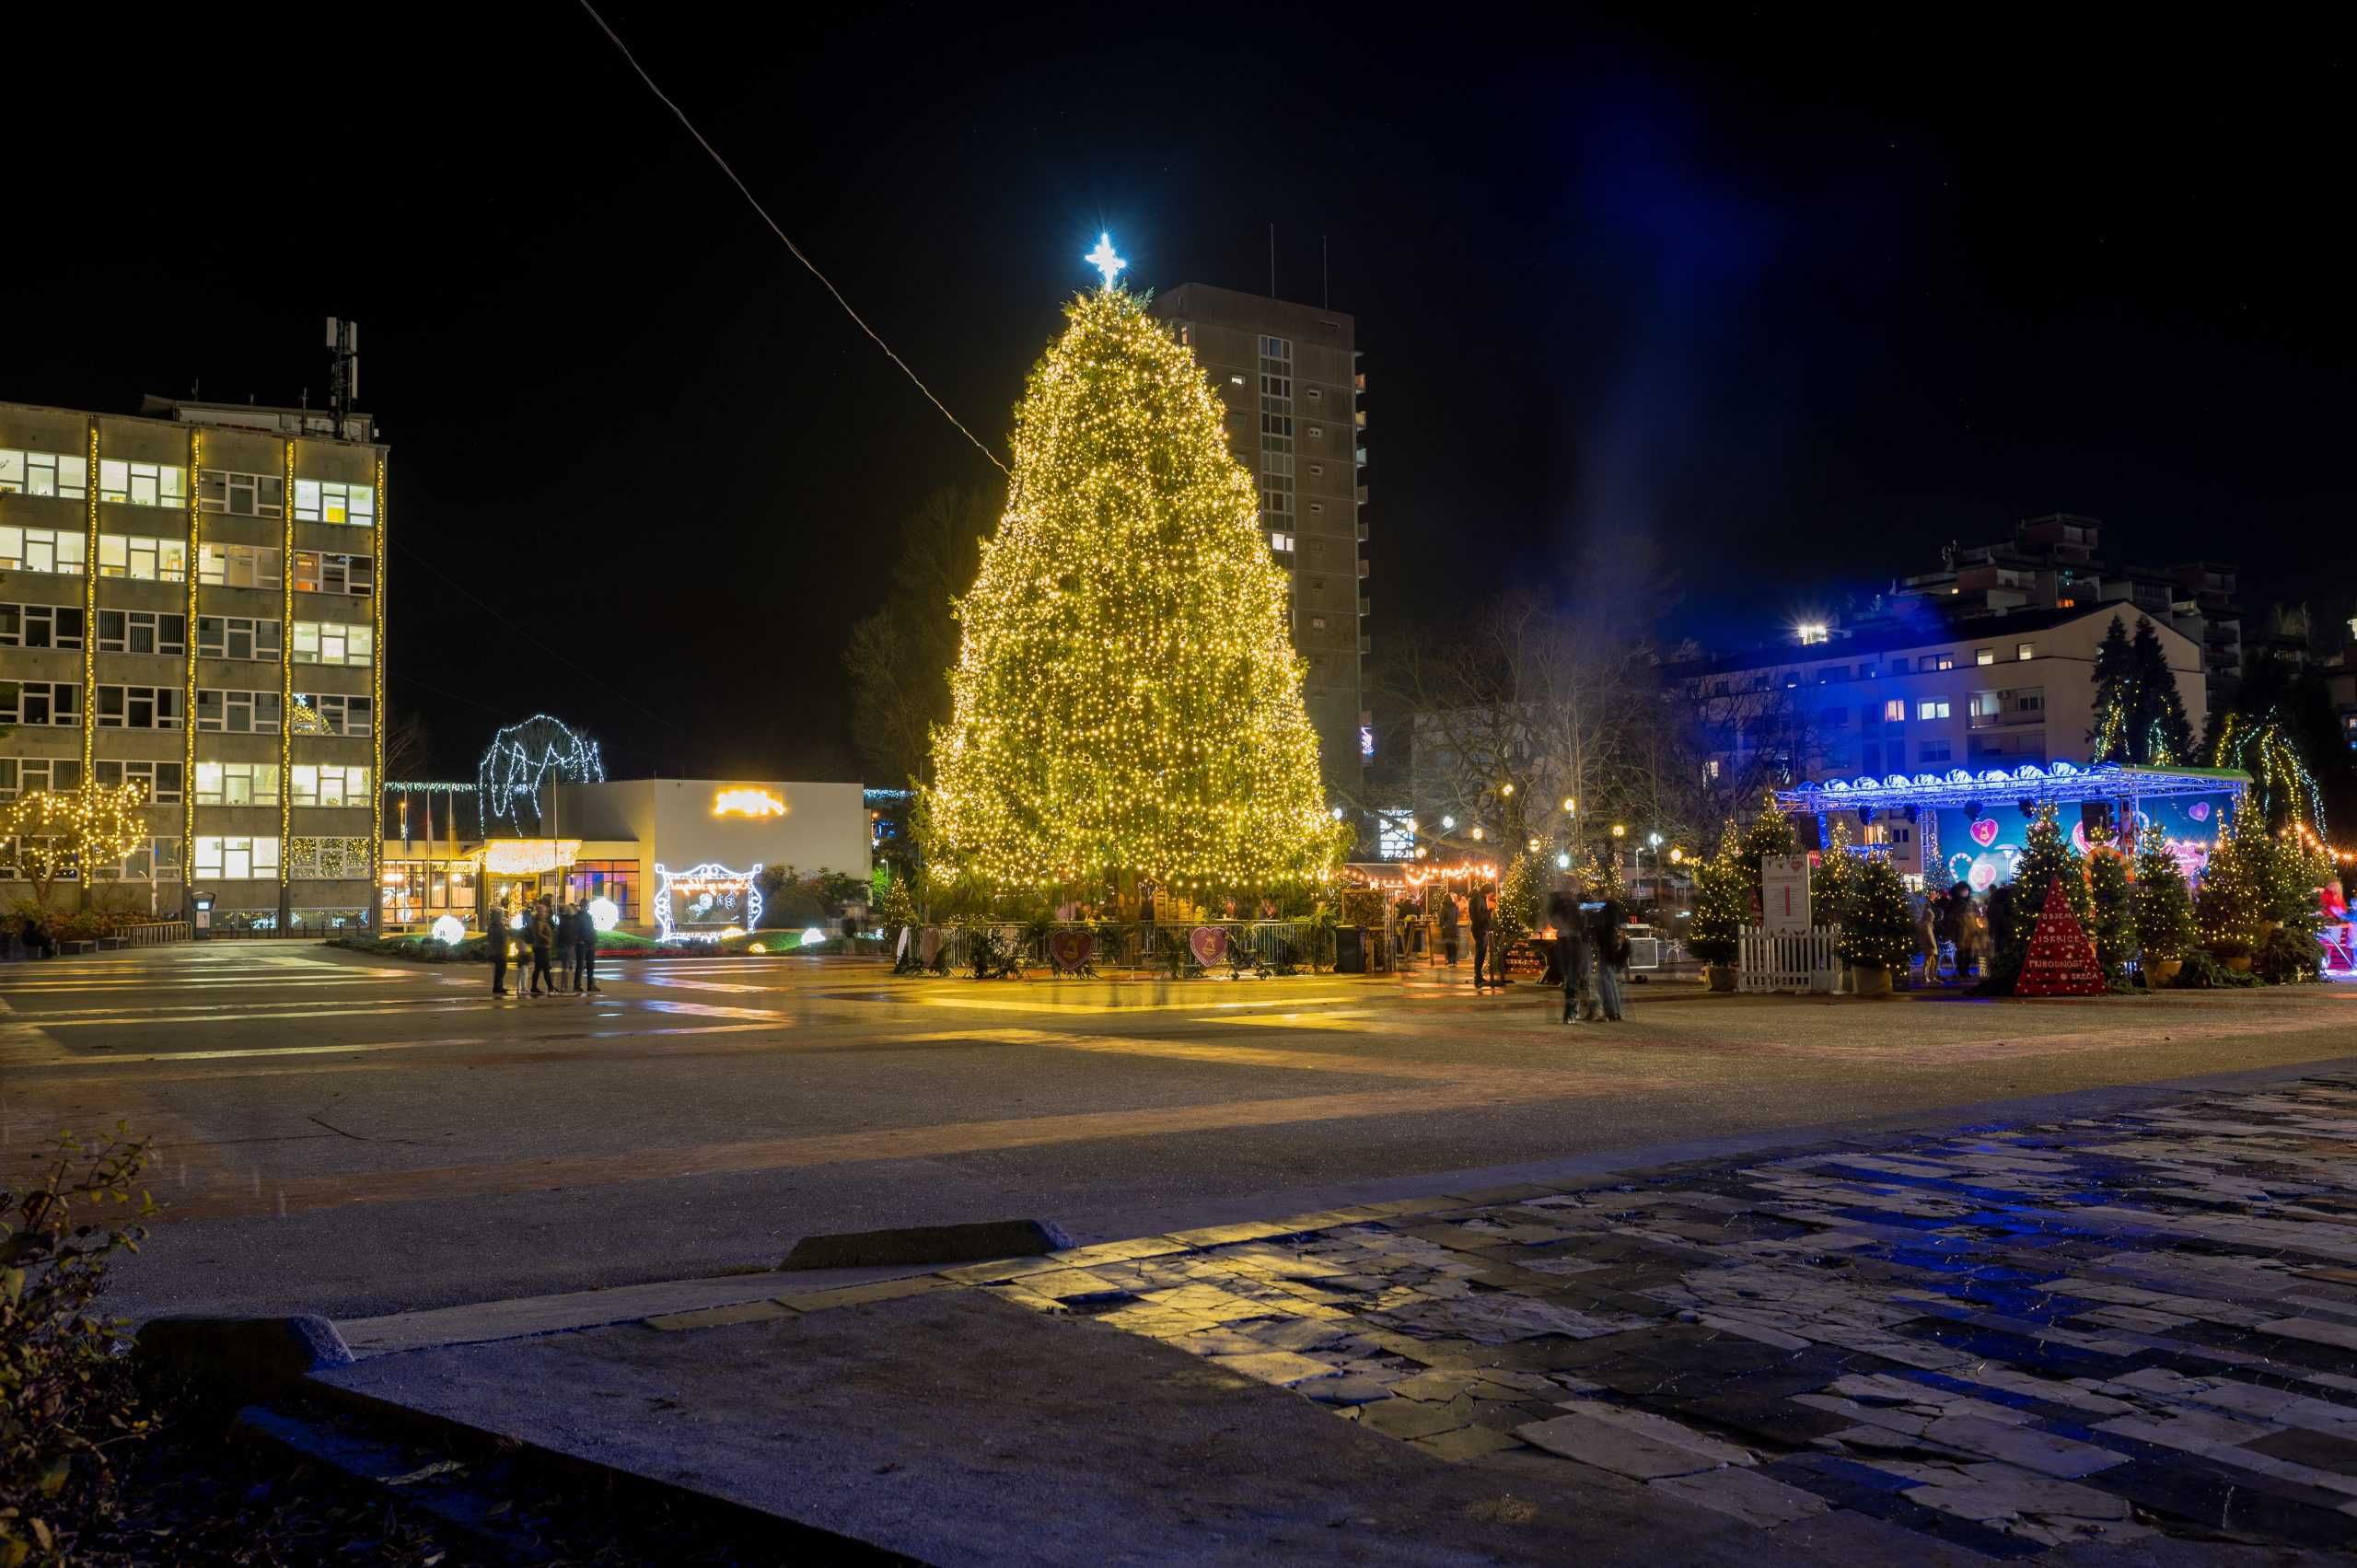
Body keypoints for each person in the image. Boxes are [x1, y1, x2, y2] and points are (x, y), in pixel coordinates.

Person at [1545, 878, 1592, 1024]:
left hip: (1565, 942)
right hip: (1574, 943)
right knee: (1576, 977)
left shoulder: (1557, 905)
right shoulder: (1572, 905)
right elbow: (1581, 924)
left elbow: (1553, 922)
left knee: (1570, 977)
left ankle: (1574, 1011)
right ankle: (1575, 1011)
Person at [1587, 889, 1629, 1022]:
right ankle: (1616, 1012)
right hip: (1611, 945)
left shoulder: (1606, 910)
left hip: (1606, 947)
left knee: (1604, 981)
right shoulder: (1614, 908)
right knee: (1610, 980)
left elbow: (1599, 926)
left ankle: (1610, 1011)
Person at [526, 898, 556, 998]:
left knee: (541, 968)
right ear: (540, 912)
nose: (545, 913)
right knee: (543, 968)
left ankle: (547, 986)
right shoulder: (539, 922)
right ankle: (549, 987)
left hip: (541, 947)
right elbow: (538, 934)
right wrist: (547, 939)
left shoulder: (539, 921)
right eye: (544, 911)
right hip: (541, 948)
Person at [571, 899, 600, 993]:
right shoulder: (578, 917)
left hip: (589, 943)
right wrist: (581, 940)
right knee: (580, 965)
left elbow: (590, 929)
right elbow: (576, 931)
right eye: (586, 905)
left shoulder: (587, 916)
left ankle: (590, 985)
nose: (587, 907)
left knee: (590, 965)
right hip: (582, 944)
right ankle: (577, 985)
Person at [1468, 884, 1492, 992]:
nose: (1491, 895)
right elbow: (1477, 916)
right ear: (1487, 891)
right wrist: (1488, 913)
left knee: (1481, 952)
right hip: (1479, 929)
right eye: (1491, 893)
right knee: (1480, 952)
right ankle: (1477, 976)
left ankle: (1478, 975)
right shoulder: (1477, 899)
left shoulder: (1480, 898)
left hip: (1481, 928)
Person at [485, 900, 510, 996]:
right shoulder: (499, 926)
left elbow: (489, 937)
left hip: (495, 950)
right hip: (500, 951)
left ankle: (498, 986)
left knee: (499, 970)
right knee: (501, 969)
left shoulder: (491, 926)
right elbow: (503, 937)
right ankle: (498, 986)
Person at [1438, 891, 1461, 967]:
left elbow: (1441, 919)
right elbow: (1457, 918)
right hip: (1454, 928)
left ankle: (1449, 960)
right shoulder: (1455, 907)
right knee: (1453, 945)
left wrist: (1442, 925)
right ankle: (1454, 961)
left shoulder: (1443, 907)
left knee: (1448, 945)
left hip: (1446, 929)